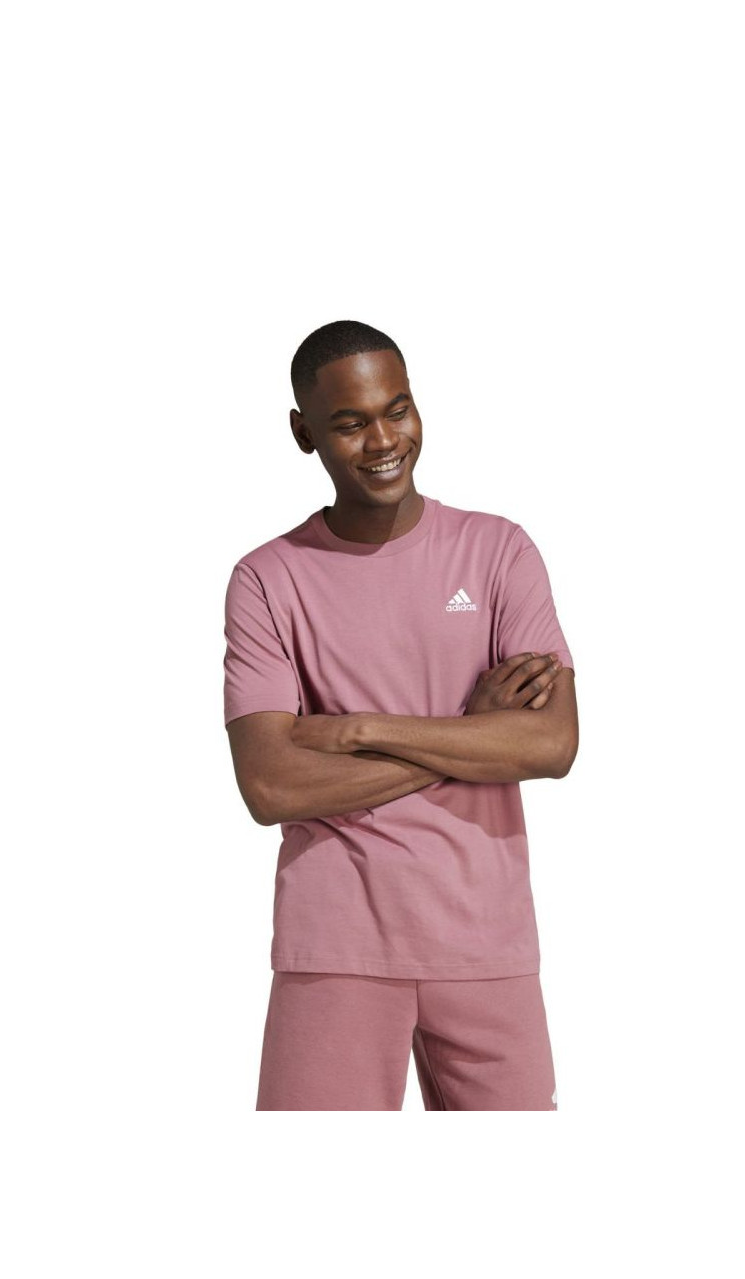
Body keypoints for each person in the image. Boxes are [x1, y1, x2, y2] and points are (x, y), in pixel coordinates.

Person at [223, 320, 579, 1111]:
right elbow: (271, 786)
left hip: (487, 940)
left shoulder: (500, 552)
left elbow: (552, 743)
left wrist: (355, 730)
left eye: (398, 410)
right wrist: (473, 733)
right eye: (350, 423)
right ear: (304, 433)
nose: (384, 440)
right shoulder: (267, 580)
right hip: (336, 945)